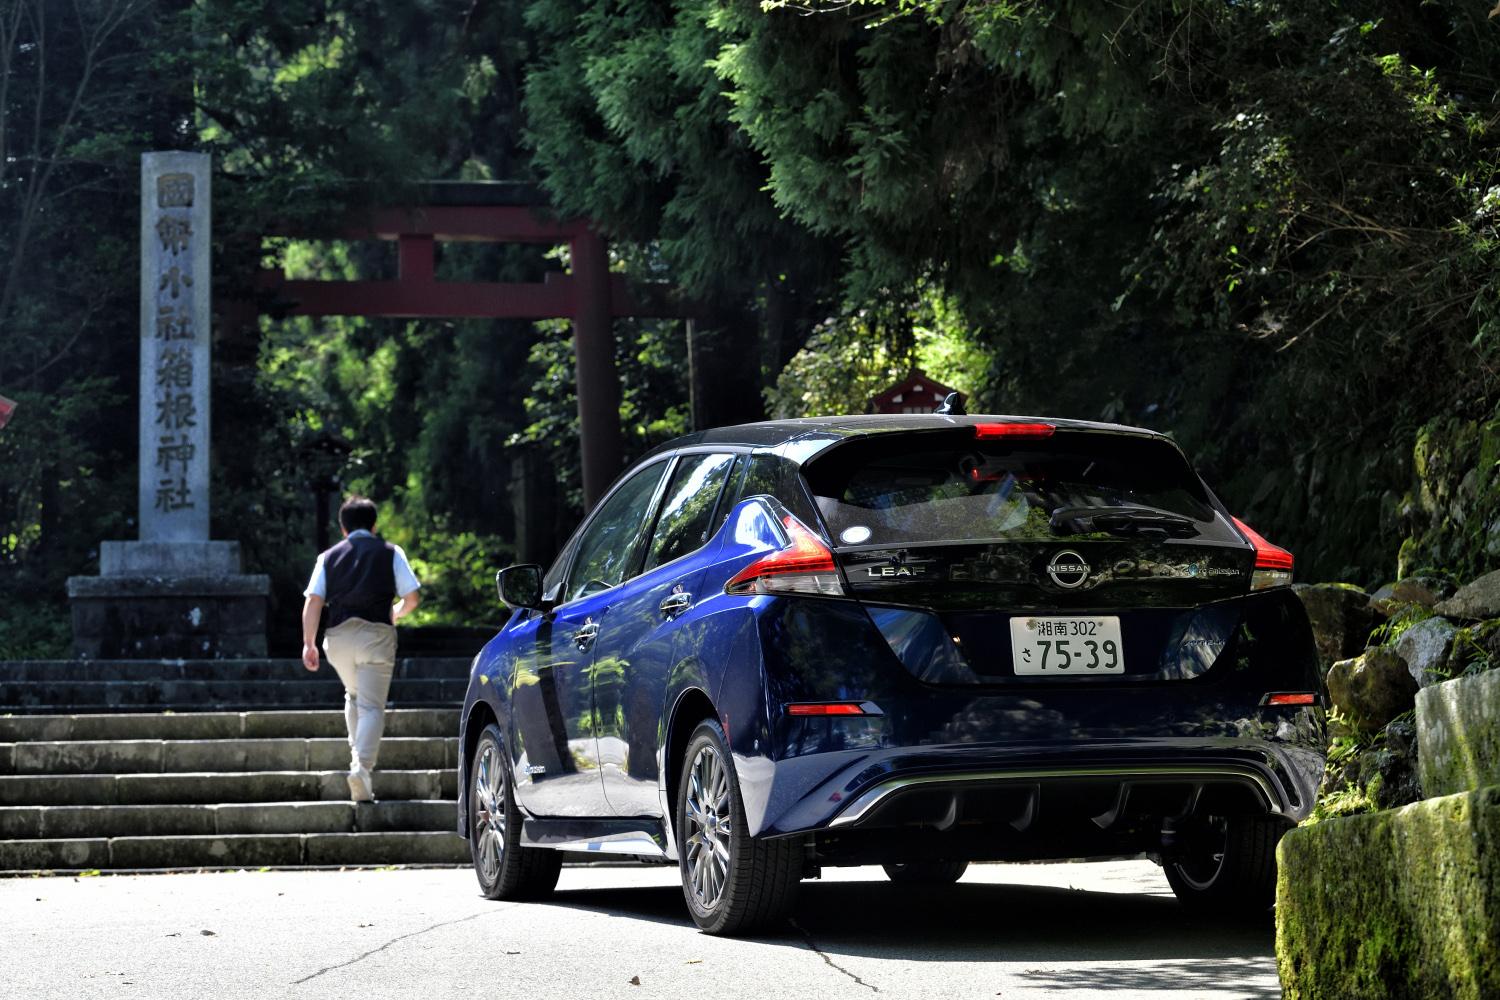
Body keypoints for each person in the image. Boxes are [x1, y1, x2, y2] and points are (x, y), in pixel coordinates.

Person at [301, 495, 422, 802]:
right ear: (374, 524)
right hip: (376, 634)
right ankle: (361, 768)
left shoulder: (327, 557)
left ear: (343, 528)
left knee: (354, 696)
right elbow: (412, 598)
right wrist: (396, 612)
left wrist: (308, 643)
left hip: (338, 638)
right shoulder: (390, 552)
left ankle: (359, 765)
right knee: (371, 706)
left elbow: (313, 601)